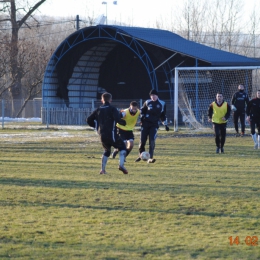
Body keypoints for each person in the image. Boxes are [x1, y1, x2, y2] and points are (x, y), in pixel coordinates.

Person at [86, 92, 128, 174]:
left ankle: (102, 170)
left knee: (107, 150)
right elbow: (117, 118)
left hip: (102, 135)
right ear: (110, 100)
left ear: (102, 100)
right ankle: (121, 165)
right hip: (111, 134)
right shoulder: (112, 109)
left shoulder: (98, 110)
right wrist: (123, 122)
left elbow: (88, 119)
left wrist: (95, 126)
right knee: (122, 146)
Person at [135, 89, 169, 163]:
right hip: (145, 124)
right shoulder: (147, 102)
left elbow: (163, 115)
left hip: (154, 124)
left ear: (157, 96)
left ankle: (150, 157)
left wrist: (165, 124)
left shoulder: (162, 103)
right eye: (151, 96)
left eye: (154, 95)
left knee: (152, 140)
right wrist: (142, 117)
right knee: (142, 140)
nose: (152, 97)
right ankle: (141, 155)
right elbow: (142, 111)